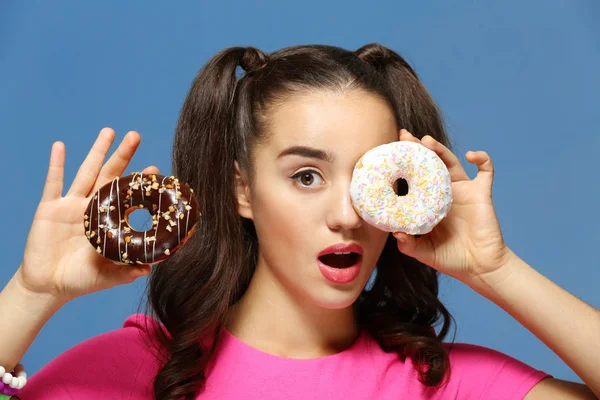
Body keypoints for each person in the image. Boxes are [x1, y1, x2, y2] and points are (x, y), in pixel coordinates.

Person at [0, 43, 597, 400]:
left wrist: (498, 270)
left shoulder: (442, 383)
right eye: (306, 176)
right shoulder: (144, 370)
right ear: (242, 190)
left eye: (370, 179)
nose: (345, 216)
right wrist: (29, 296)